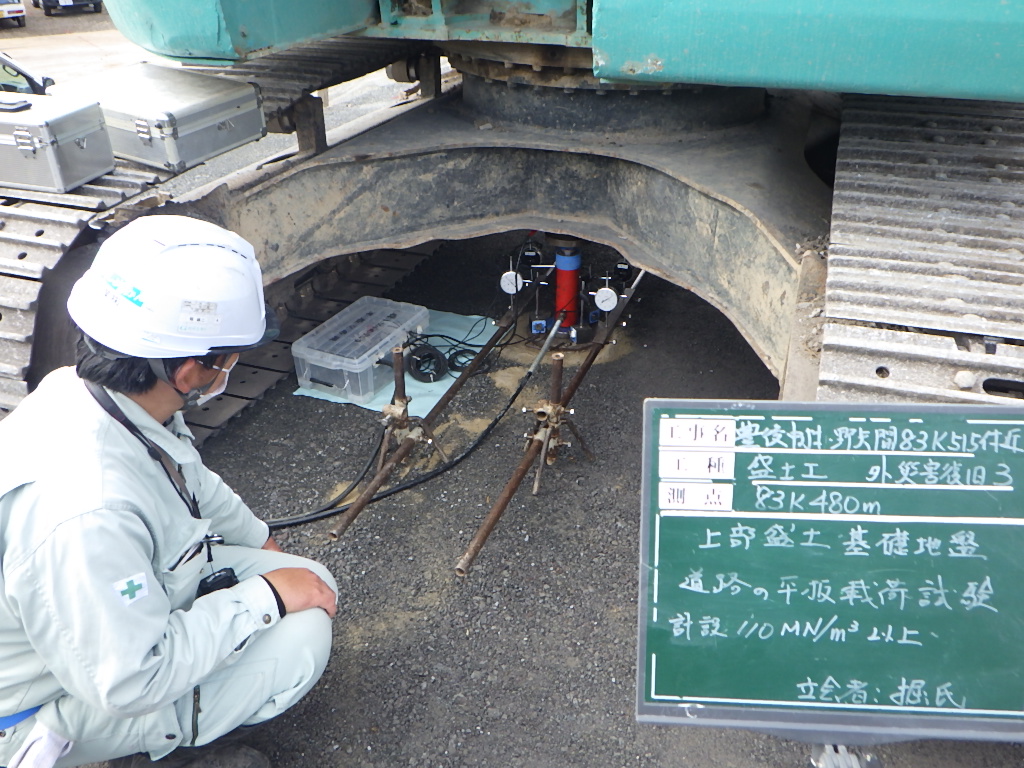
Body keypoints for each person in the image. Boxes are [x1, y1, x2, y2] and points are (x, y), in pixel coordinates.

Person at [0, 216, 338, 768]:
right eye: (230, 355)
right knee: (301, 639)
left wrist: (262, 542)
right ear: (190, 371)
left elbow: (191, 474)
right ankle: (148, 749)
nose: (233, 364)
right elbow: (131, 678)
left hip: (98, 610)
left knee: (310, 579)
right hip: (41, 706)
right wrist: (265, 598)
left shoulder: (96, 393)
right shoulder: (86, 512)